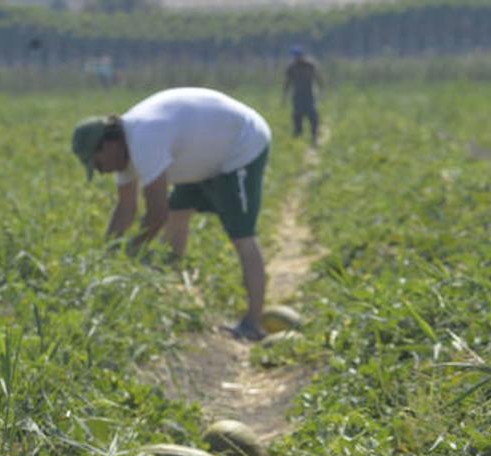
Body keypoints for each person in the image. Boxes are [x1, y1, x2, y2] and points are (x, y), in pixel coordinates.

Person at [71, 87, 272, 342]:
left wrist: (131, 252)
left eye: (97, 163)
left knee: (242, 236)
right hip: (202, 154)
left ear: (109, 144)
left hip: (241, 143)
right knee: (179, 212)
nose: (100, 171)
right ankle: (175, 294)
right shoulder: (124, 149)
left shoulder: (143, 138)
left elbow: (156, 215)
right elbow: (125, 209)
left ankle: (253, 322)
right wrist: (107, 257)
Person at [283, 45, 324, 145]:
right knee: (297, 117)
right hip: (298, 96)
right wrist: (284, 95)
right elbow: (288, 82)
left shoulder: (310, 65)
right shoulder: (292, 68)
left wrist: (322, 88)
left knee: (313, 116)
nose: (297, 57)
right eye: (295, 55)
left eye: (298, 55)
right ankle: (297, 137)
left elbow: (318, 77)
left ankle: (314, 137)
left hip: (309, 96)